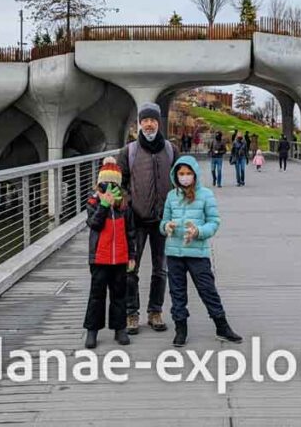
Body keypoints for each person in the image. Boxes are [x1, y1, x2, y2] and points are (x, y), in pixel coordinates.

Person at [161, 155, 242, 347]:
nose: (185, 177)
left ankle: (221, 325)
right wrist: (166, 227)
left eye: (188, 173)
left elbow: (214, 222)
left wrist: (198, 232)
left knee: (207, 289)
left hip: (197, 253)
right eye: (181, 173)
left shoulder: (206, 195)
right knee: (177, 293)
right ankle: (181, 328)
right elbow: (163, 222)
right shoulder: (171, 196)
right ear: (176, 175)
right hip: (174, 253)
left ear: (195, 174)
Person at [117, 102, 178, 334]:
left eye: (153, 120)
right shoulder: (129, 151)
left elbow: (183, 179)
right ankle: (132, 313)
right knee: (131, 268)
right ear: (140, 123)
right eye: (145, 120)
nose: (149, 124)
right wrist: (127, 203)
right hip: (136, 221)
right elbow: (119, 182)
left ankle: (155, 312)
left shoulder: (171, 150)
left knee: (160, 269)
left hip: (163, 221)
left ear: (158, 122)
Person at [83, 157, 137, 348]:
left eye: (114, 183)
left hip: (120, 258)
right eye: (105, 183)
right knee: (96, 295)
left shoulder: (125, 205)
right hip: (100, 257)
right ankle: (92, 331)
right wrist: (104, 206)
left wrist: (132, 255)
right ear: (99, 183)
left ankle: (119, 328)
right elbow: (94, 224)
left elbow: (131, 232)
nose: (109, 187)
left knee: (119, 294)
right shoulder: (93, 201)